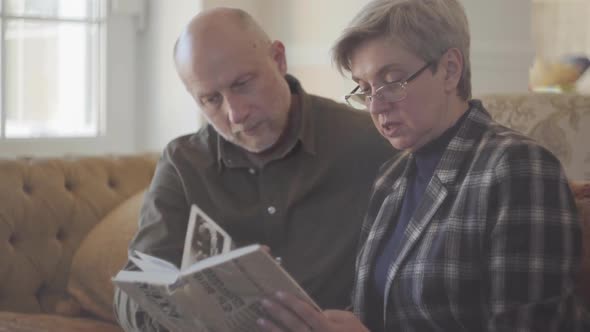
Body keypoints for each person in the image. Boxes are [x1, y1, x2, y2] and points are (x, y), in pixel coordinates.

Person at [257, 0, 589, 331]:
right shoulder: (392, 178)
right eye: (365, 87)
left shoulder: (518, 168)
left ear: (449, 70)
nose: (375, 105)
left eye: (392, 80)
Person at [113, 7, 394, 331]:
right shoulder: (183, 163)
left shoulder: (370, 143)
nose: (235, 114)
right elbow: (134, 293)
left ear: (278, 59)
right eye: (210, 100)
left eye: (243, 84)